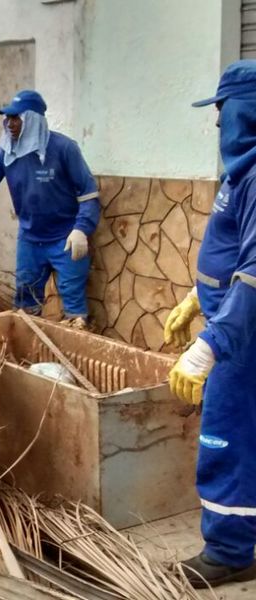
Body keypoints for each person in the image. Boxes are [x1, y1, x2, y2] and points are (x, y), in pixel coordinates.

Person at [165, 60, 256, 588]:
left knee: (226, 437)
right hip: (232, 321)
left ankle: (227, 554)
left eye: (223, 111)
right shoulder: (243, 171)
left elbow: (255, 273)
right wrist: (197, 296)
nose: (218, 123)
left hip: (243, 337)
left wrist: (210, 346)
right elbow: (231, 254)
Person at [0, 90, 100, 328]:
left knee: (74, 309)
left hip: (65, 237)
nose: (9, 124)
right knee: (26, 306)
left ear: (32, 119)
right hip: (30, 240)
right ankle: (32, 354)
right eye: (7, 118)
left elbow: (88, 193)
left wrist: (82, 229)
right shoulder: (6, 152)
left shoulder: (64, 148)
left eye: (15, 118)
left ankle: (76, 353)